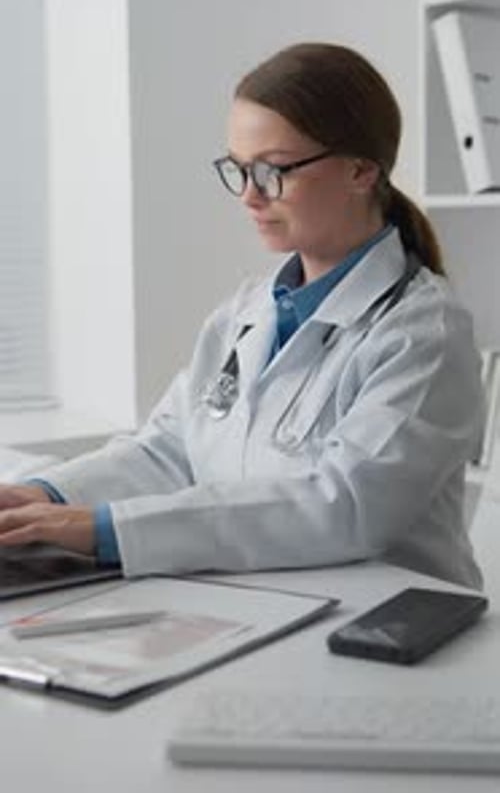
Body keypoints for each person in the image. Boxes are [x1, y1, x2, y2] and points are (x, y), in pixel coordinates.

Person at [0, 42, 484, 587]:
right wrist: (42, 496)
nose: (249, 196)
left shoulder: (422, 332)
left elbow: (344, 505)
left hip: (389, 630)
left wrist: (103, 528)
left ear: (361, 171)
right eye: (239, 169)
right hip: (260, 603)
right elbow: (169, 449)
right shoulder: (246, 313)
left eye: (273, 171)